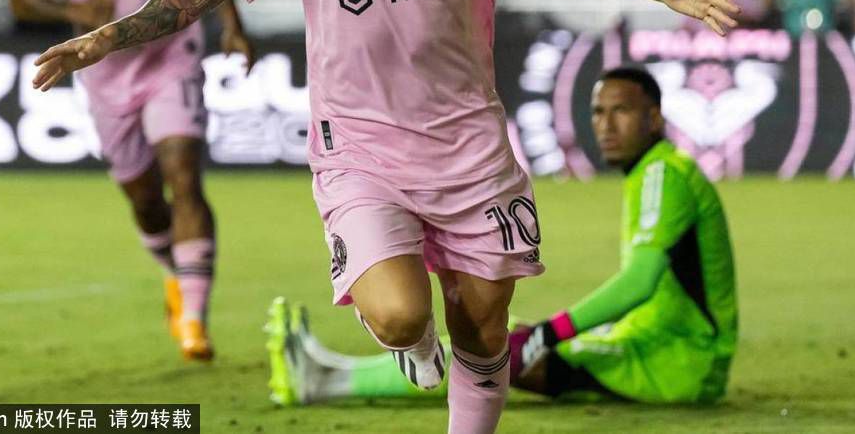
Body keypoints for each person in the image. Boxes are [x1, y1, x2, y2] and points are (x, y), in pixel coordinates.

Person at [30, 0, 739, 433]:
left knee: (485, 332)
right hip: (360, 147)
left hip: (469, 145)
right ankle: (413, 344)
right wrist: (104, 40)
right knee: (401, 317)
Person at [266, 68, 738, 407]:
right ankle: (326, 376)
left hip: (677, 361)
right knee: (498, 340)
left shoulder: (664, 174)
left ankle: (324, 379)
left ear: (654, 119)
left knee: (501, 345)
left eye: (623, 112)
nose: (606, 125)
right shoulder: (656, 172)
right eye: (598, 112)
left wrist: (551, 333)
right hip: (662, 347)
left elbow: (640, 282)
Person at [9, 0, 254, 361]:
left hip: (172, 58)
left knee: (183, 175)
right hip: (102, 73)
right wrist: (71, 7)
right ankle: (176, 273)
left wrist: (233, 29)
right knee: (145, 198)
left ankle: (194, 318)